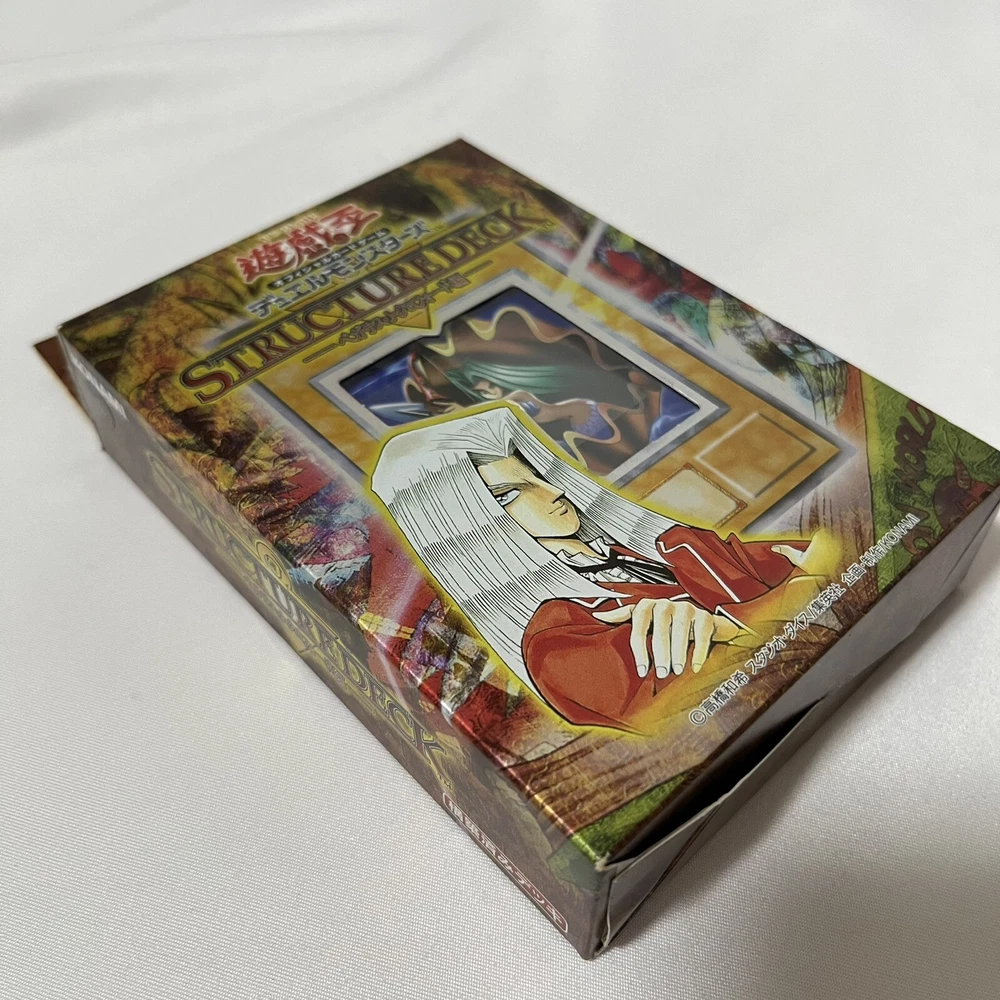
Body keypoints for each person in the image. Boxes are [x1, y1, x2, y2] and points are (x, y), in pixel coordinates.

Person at [371, 405, 814, 731]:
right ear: (465, 524)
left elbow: (824, 562)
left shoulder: (671, 546)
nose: (553, 492)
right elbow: (707, 712)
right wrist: (751, 618)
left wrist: (740, 620)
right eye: (510, 494)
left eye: (538, 475)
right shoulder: (558, 642)